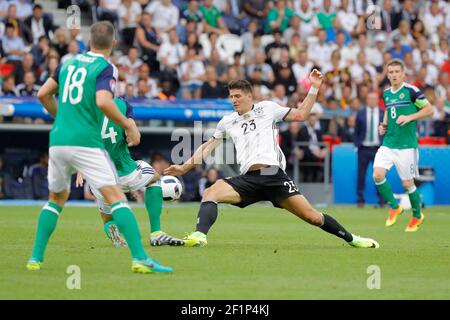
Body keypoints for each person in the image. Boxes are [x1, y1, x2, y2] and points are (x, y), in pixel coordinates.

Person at [164, 75, 380, 249]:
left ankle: (353, 239)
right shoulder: (227, 121)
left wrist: (314, 88)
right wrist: (184, 167)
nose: (233, 100)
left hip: (273, 176)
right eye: (231, 96)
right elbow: (208, 147)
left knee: (313, 217)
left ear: (250, 96)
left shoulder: (267, 108)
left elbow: (302, 115)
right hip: (248, 179)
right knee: (211, 192)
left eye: (237, 96)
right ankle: (199, 236)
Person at [27, 21, 172, 274]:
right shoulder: (106, 67)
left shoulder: (67, 63)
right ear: (113, 43)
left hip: (58, 140)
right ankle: (140, 258)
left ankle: (35, 259)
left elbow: (42, 95)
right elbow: (104, 101)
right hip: (86, 141)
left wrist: (62, 117)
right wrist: (129, 125)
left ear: (89, 41)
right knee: (118, 198)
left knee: (55, 200)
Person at [76, 97, 183, 247]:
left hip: (100, 178)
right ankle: (156, 233)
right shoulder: (121, 104)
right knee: (155, 178)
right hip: (127, 173)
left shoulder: (85, 111)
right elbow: (136, 139)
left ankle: (116, 238)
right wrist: (130, 134)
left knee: (108, 220)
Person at [373, 59, 433, 232]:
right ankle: (394, 207)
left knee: (408, 184)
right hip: (389, 143)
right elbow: (388, 110)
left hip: (407, 146)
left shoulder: (411, 91)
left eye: (396, 72)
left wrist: (409, 117)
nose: (393, 75)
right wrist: (383, 124)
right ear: (387, 74)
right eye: (390, 72)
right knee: (377, 175)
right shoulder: (386, 93)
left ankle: (416, 215)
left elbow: (429, 110)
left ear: (403, 73)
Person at [355, 92, 385, 207]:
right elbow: (357, 131)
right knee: (361, 175)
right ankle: (360, 200)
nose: (372, 101)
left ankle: (382, 200)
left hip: (378, 149)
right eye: (370, 98)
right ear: (366, 100)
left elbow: (387, 130)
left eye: (374, 99)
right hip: (363, 148)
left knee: (379, 175)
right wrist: (356, 145)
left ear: (378, 100)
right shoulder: (361, 113)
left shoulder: (383, 113)